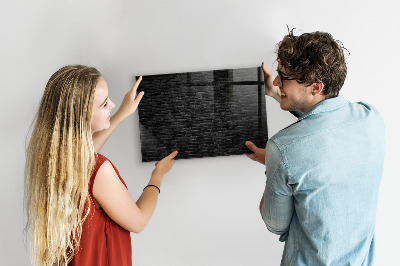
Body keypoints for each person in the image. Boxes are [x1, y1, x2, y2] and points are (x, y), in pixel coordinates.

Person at [245, 30, 385, 265]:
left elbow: (275, 224)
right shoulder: (371, 118)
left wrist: (273, 163)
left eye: (284, 77)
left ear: (316, 87)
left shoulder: (282, 149)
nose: (277, 81)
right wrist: (278, 94)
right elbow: (325, 125)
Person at [24, 65, 177, 266]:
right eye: (105, 104)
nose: (112, 104)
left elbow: (85, 157)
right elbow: (138, 221)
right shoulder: (99, 170)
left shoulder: (53, 160)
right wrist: (157, 175)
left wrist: (122, 113)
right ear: (81, 117)